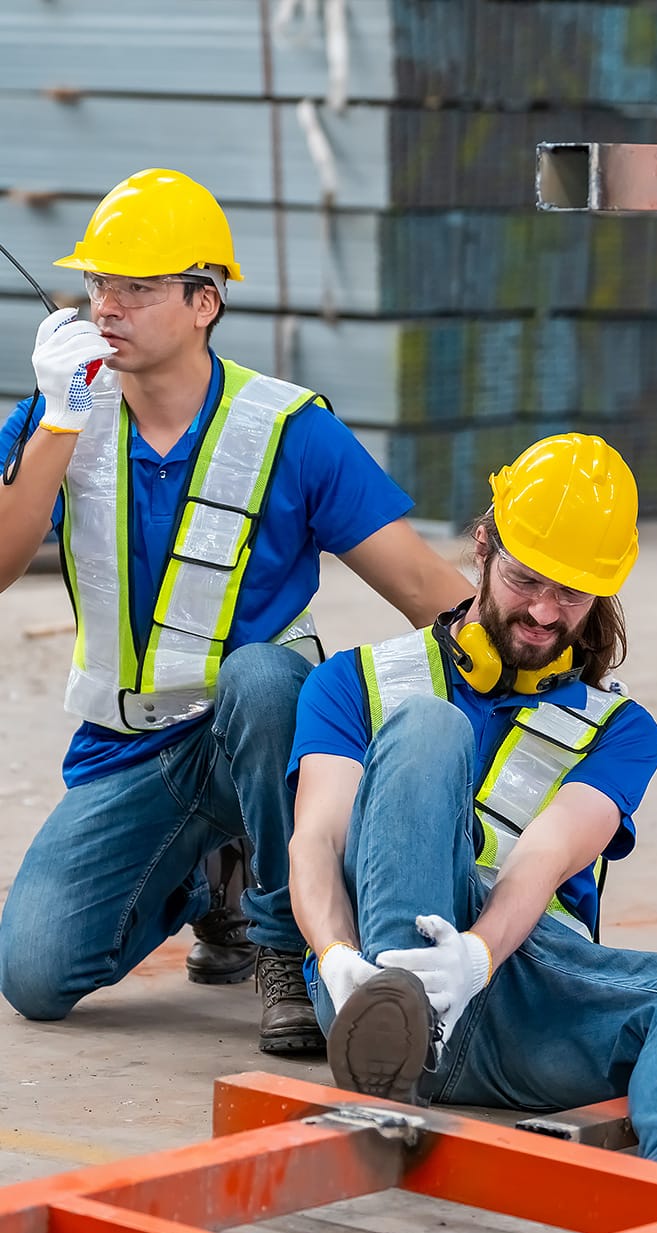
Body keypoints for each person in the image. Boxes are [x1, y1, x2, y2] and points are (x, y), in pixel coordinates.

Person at [0, 168, 472, 1054]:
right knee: (32, 972)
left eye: (138, 289)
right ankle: (211, 883)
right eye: (100, 283)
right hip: (130, 750)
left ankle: (282, 942)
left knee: (263, 677)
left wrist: (553, 659)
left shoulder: (290, 429)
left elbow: (423, 589)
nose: (108, 307)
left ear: (204, 301)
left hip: (263, 732)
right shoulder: (60, 415)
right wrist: (58, 424)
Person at [285, 432, 657, 1199]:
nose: (544, 612)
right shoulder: (355, 682)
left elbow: (545, 854)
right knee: (429, 726)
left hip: (517, 991)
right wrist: (338, 959)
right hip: (374, 988)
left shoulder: (620, 730)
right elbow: (318, 838)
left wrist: (474, 958)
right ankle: (399, 1047)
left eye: (571, 594)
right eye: (526, 579)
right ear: (482, 545)